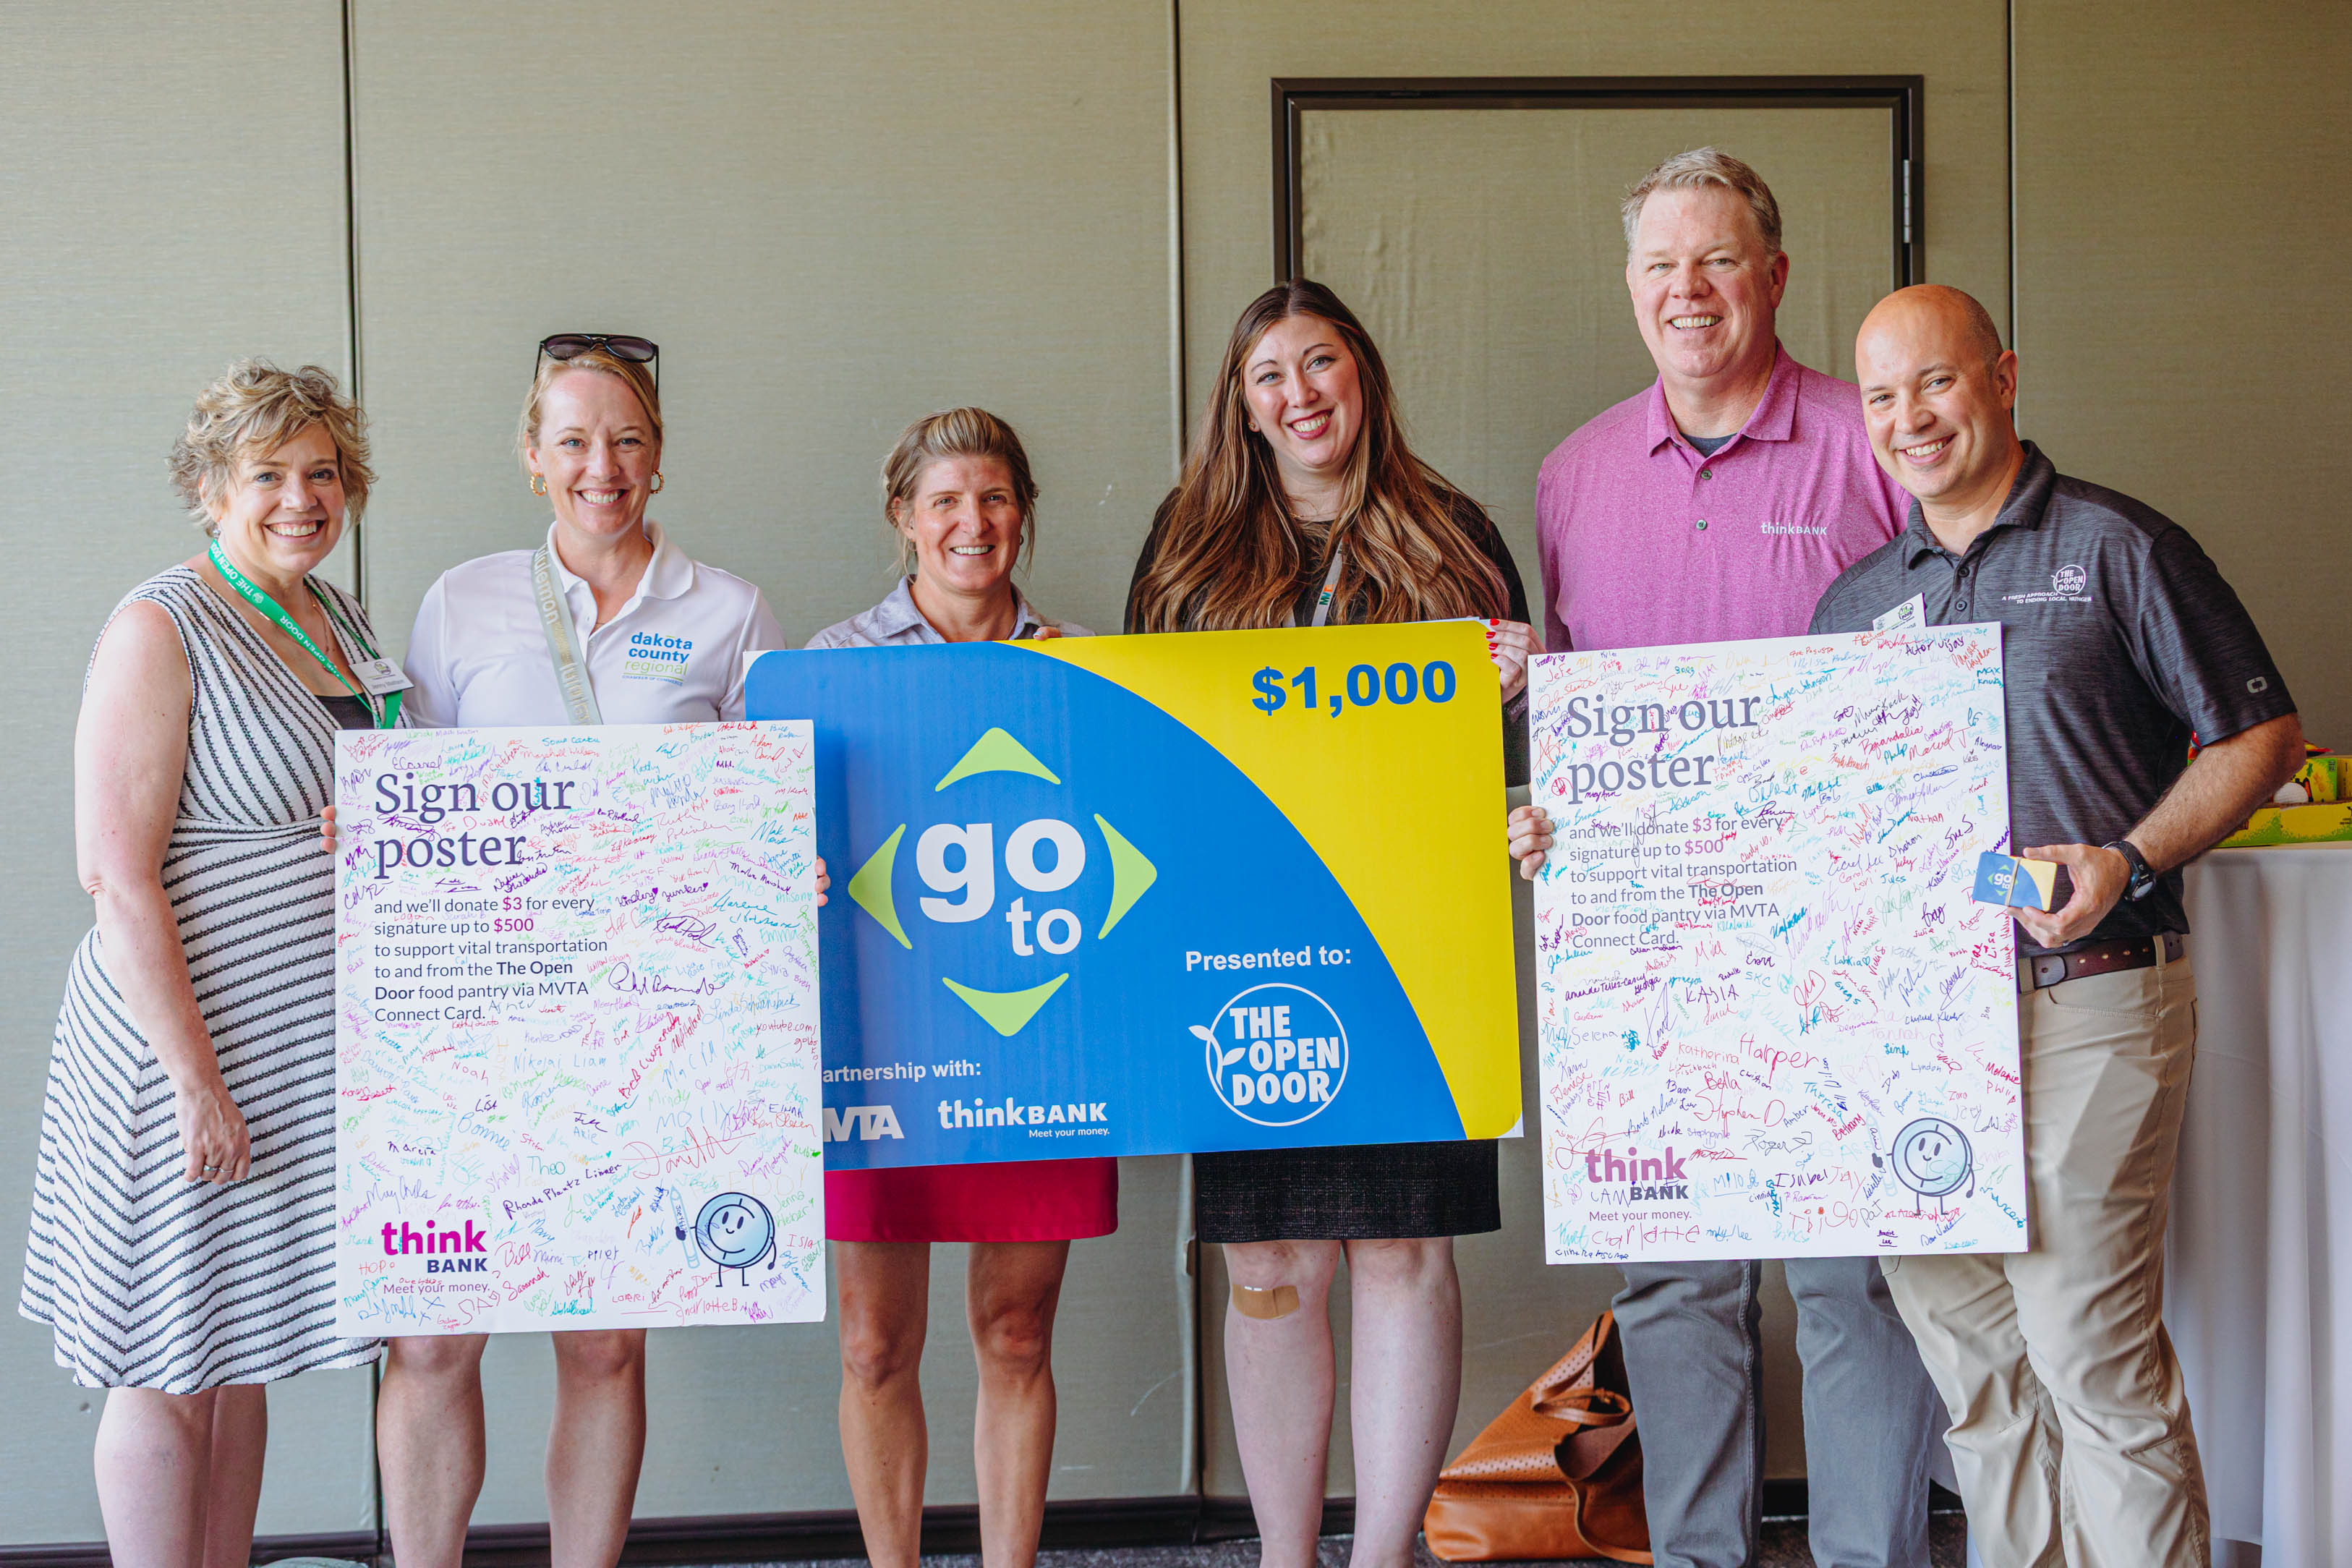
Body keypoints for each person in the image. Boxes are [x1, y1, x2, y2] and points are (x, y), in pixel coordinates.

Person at [1808, 284, 2302, 1566]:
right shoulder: (1853, 605)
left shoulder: (2120, 545)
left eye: (1937, 382)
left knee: (2088, 1341)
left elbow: (2261, 735)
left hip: (2093, 992)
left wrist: (2129, 855)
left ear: (2005, 377)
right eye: (1881, 397)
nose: (1910, 418)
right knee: (1971, 1361)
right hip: (1914, 1033)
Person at [1509, 149, 1946, 1568]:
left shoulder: (1870, 438)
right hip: (1651, 945)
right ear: (1629, 287)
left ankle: (1871, 1552)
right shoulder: (1571, 476)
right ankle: (1700, 1553)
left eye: (1716, 261)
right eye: (1659, 266)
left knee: (1848, 1280)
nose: (1686, 291)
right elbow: (1577, 699)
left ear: (1773, 276)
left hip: (1846, 929)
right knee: (1679, 1278)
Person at [378, 335, 825, 1568]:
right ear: (532, 458)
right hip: (476, 1028)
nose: (601, 465)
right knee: (431, 1339)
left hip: (648, 1034)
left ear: (661, 455)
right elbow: (415, 794)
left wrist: (794, 864)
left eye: (626, 438)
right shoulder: (460, 600)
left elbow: (769, 814)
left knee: (604, 1339)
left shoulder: (730, 611)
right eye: (572, 439)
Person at [1126, 279, 1538, 1568]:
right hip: (1241, 944)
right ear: (1240, 406)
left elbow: (1515, 751)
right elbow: (1149, 744)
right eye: (1270, 376)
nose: (1300, 393)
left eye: (1322, 363)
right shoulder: (1190, 549)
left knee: (1404, 1249)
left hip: (1413, 944)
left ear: (1364, 373)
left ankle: (1382, 1557)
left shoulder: (1450, 534)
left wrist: (1524, 685)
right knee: (1271, 1258)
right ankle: (1287, 1557)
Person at [20, 361, 393, 1568]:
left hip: (293, 1055)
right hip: (178, 1051)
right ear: (208, 488)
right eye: (269, 475)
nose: (303, 497)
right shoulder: (161, 625)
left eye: (324, 472)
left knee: (236, 1349)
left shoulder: (337, 618)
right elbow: (114, 874)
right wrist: (194, 1081)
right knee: (164, 1358)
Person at [806, 407, 1114, 1568]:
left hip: (1038, 1030)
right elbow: (755, 838)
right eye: (944, 502)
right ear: (903, 519)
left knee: (1018, 1331)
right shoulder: (825, 670)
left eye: (992, 499)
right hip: (879, 1040)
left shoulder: (1085, 665)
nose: (970, 524)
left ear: (1022, 513)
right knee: (875, 1345)